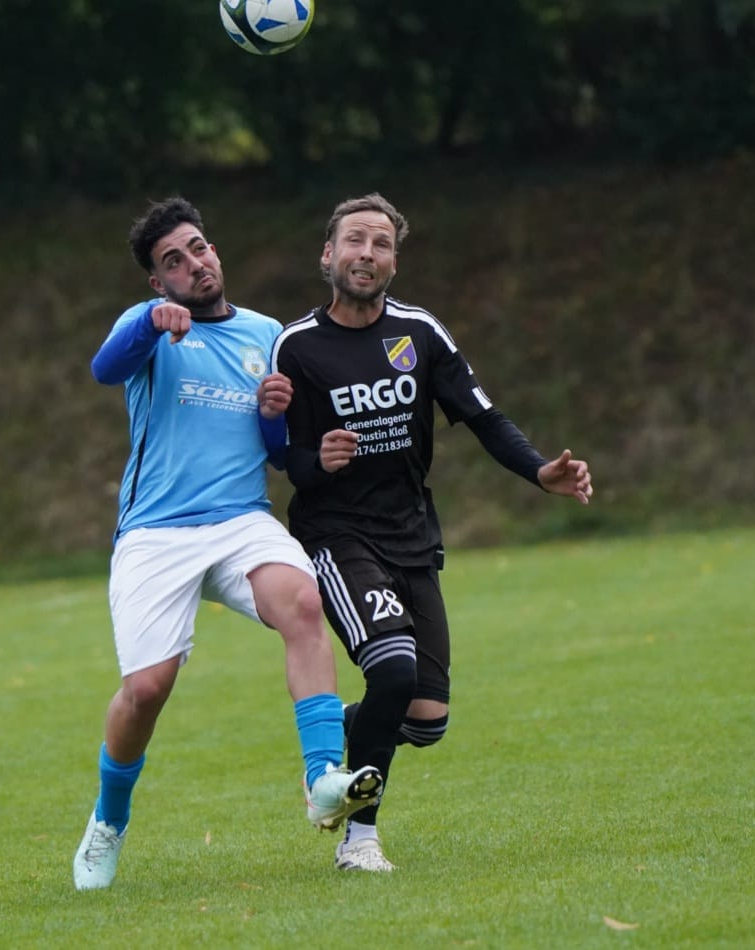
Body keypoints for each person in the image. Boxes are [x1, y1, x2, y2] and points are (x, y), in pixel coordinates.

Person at [269, 193, 593, 873]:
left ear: (394, 262)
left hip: (411, 537)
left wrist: (540, 471)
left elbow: (484, 418)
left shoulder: (419, 332)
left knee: (424, 718)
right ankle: (360, 842)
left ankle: (332, 739)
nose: (367, 254)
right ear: (328, 254)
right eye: (355, 240)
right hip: (336, 536)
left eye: (381, 244)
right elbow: (282, 456)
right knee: (391, 668)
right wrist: (316, 461)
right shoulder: (297, 346)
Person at [71, 197, 383, 891]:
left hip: (241, 520)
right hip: (157, 531)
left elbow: (274, 449)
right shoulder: (148, 323)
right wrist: (151, 323)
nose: (193, 264)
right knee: (146, 690)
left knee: (303, 603)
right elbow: (104, 369)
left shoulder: (266, 334)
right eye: (173, 262)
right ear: (158, 280)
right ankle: (108, 820)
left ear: (213, 250)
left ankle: (322, 780)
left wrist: (274, 416)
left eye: (198, 248)